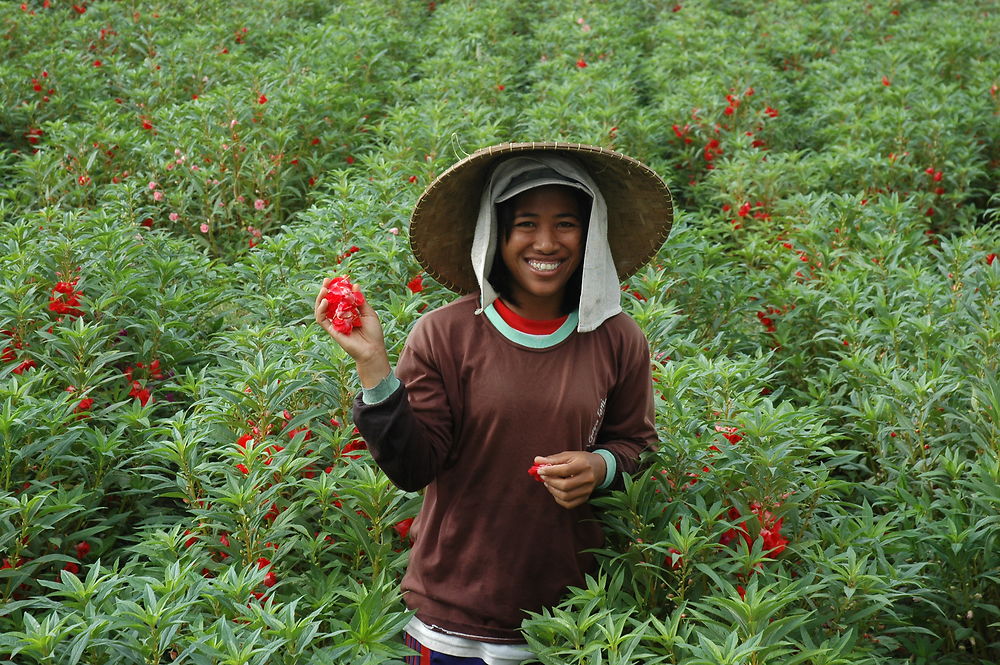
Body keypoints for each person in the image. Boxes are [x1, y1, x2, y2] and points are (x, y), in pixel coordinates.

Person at [314, 142, 673, 665]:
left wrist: (602, 466)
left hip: (571, 620)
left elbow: (637, 443)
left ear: (591, 232)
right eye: (524, 223)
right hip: (450, 619)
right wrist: (373, 367)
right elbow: (414, 467)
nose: (547, 242)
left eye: (567, 223)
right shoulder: (445, 334)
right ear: (494, 233)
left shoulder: (617, 337)